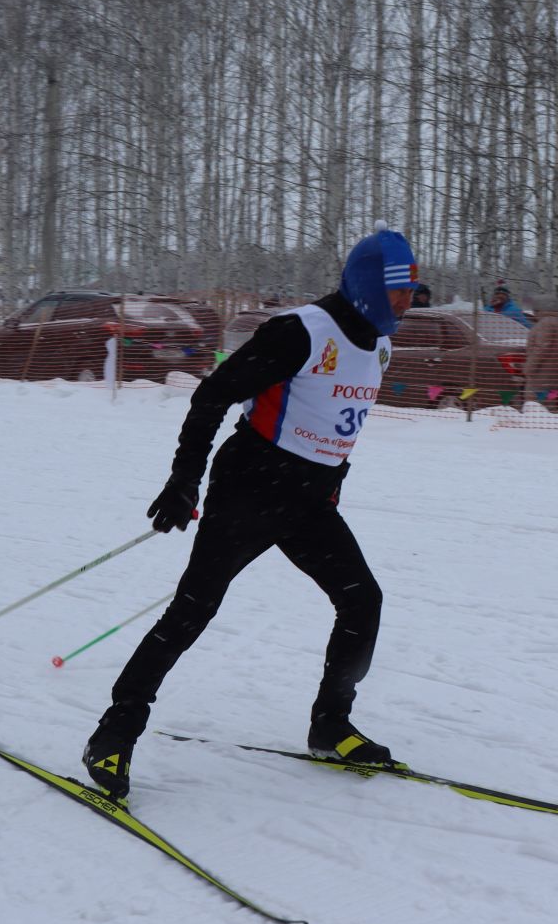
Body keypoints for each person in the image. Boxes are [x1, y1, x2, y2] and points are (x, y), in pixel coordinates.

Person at [81, 229, 421, 802]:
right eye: (399, 292)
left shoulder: (381, 345)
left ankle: (330, 726)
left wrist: (330, 483)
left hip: (308, 502)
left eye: (413, 291)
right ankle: (112, 736)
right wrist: (184, 480)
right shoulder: (300, 333)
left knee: (362, 600)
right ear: (367, 286)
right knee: (192, 611)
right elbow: (212, 395)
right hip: (249, 490)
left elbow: (337, 430)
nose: (408, 303)